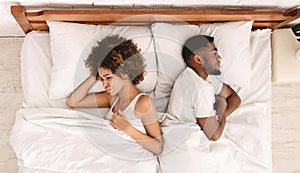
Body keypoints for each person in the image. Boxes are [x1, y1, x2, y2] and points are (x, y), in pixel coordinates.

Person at [66, 35, 163, 155]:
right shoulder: (112, 98)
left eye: (108, 78)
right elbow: (73, 102)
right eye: (101, 79)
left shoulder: (142, 103)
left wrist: (127, 129)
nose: (104, 84)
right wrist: (95, 73)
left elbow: (158, 147)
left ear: (125, 72)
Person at [167, 35, 241, 141]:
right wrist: (222, 106)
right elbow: (214, 135)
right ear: (198, 59)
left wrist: (218, 119)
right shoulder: (201, 89)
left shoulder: (197, 75)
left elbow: (235, 98)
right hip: (184, 142)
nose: (219, 58)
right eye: (214, 54)